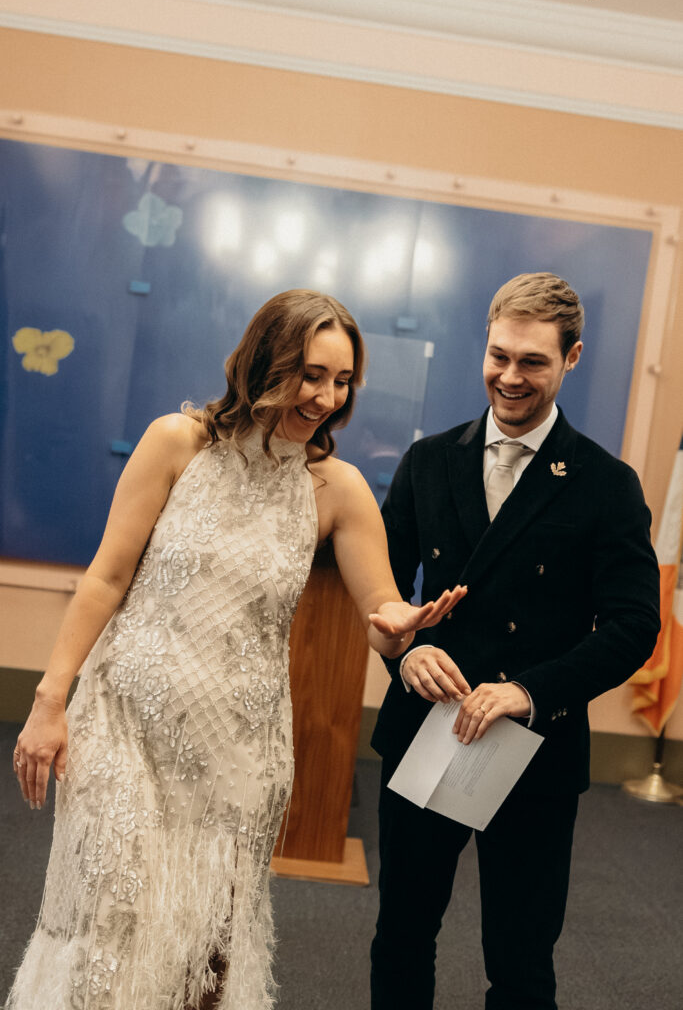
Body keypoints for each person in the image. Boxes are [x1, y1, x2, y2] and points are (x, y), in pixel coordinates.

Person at [8, 289, 466, 1010]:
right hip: (123, 723)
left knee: (205, 940)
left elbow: (377, 611)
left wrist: (402, 623)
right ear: (266, 360)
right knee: (110, 918)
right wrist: (49, 699)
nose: (326, 396)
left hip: (239, 749)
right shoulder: (176, 443)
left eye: (342, 380)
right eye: (311, 373)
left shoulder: (335, 487)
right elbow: (105, 576)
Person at [369, 272, 661, 1010]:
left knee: (521, 962)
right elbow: (374, 597)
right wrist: (406, 654)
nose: (509, 376)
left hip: (534, 749)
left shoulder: (606, 484)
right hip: (426, 735)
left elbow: (633, 626)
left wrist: (529, 691)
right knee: (402, 936)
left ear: (571, 358)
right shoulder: (427, 461)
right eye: (498, 355)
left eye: (532, 361)